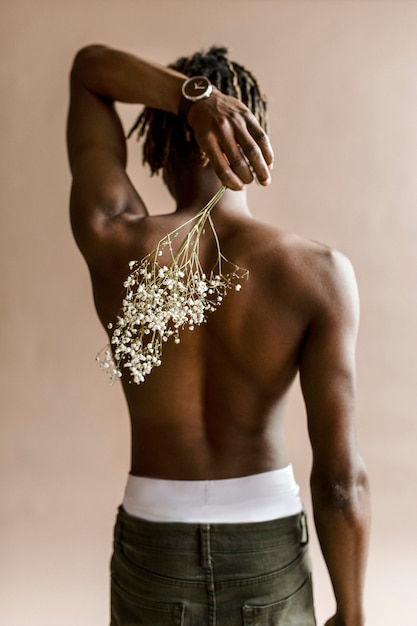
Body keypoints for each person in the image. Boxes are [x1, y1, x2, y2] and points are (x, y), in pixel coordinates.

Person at [67, 43, 370, 626]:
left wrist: (189, 101)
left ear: (156, 147)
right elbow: (339, 478)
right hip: (268, 550)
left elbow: (88, 72)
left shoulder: (115, 239)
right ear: (252, 138)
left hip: (154, 547)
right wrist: (352, 613)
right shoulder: (319, 273)